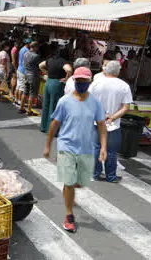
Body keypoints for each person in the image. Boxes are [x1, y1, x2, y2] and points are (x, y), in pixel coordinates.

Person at [43, 67, 108, 233]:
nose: (80, 84)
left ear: (89, 82)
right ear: (74, 81)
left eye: (83, 81)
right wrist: (48, 145)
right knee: (70, 182)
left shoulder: (95, 103)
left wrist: (104, 147)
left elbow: (101, 125)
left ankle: (68, 190)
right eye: (77, 81)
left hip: (86, 148)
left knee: (80, 183)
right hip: (66, 145)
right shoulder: (64, 101)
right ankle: (69, 215)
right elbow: (54, 124)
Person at [90, 61, 132, 183]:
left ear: (106, 70)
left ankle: (95, 174)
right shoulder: (124, 86)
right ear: (118, 71)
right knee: (112, 150)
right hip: (113, 124)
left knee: (96, 148)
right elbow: (125, 107)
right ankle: (111, 176)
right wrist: (112, 117)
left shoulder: (96, 83)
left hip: (96, 121)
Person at [39, 47, 72, 132]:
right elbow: (69, 69)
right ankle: (52, 129)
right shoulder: (62, 61)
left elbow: (40, 65)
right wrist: (66, 77)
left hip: (48, 82)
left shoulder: (50, 60)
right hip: (57, 84)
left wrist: (47, 73)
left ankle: (43, 126)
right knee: (54, 106)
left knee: (46, 104)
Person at [20, 41, 42, 115]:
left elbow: (23, 63)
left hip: (26, 74)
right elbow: (40, 66)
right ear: (35, 47)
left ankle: (21, 108)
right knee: (31, 94)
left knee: (25, 91)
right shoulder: (36, 56)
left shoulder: (25, 53)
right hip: (33, 76)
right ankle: (29, 110)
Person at [15, 38, 32, 103]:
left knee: (18, 86)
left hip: (19, 69)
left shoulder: (22, 49)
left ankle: (16, 99)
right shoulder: (27, 51)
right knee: (22, 87)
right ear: (28, 43)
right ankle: (19, 100)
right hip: (23, 70)